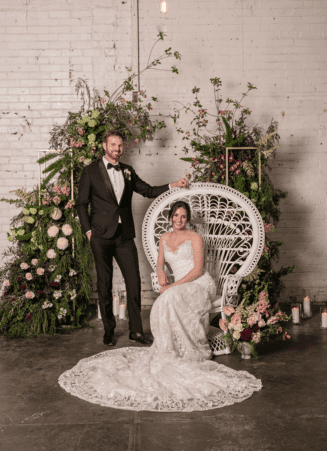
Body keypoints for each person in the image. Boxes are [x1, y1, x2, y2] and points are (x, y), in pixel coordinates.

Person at [59, 201, 262, 412]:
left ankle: (190, 347)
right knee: (166, 299)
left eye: (183, 216)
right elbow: (159, 262)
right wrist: (161, 270)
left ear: (188, 218)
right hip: (178, 286)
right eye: (175, 215)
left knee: (170, 296)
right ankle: (169, 347)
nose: (179, 220)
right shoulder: (165, 237)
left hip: (199, 284)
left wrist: (172, 285)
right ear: (170, 216)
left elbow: (198, 269)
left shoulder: (195, 238)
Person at [75, 130, 188, 347]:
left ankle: (136, 331)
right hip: (100, 236)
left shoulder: (127, 170)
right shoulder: (90, 171)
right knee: (105, 284)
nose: (117, 149)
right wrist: (88, 232)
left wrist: (173, 185)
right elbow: (82, 204)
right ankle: (109, 331)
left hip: (124, 236)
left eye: (120, 145)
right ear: (104, 146)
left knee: (134, 283)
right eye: (113, 144)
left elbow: (147, 190)